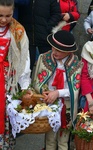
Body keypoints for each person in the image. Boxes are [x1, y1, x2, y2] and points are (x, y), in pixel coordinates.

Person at [32, 30, 82, 150]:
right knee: (50, 139)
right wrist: (43, 91)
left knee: (63, 140)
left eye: (59, 50)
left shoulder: (76, 64)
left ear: (69, 51)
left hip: (67, 107)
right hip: (49, 103)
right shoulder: (44, 58)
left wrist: (58, 93)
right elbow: (37, 80)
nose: (54, 52)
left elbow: (75, 89)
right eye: (53, 48)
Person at [0, 0, 31, 149]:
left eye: (8, 15)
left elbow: (24, 59)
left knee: (5, 114)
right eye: (0, 15)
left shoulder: (18, 31)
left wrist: (25, 86)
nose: (4, 19)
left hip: (7, 82)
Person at [17, 0, 61, 71]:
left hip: (45, 36)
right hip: (28, 36)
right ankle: (27, 82)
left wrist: (48, 26)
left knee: (47, 66)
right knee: (27, 66)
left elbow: (56, 14)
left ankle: (45, 82)